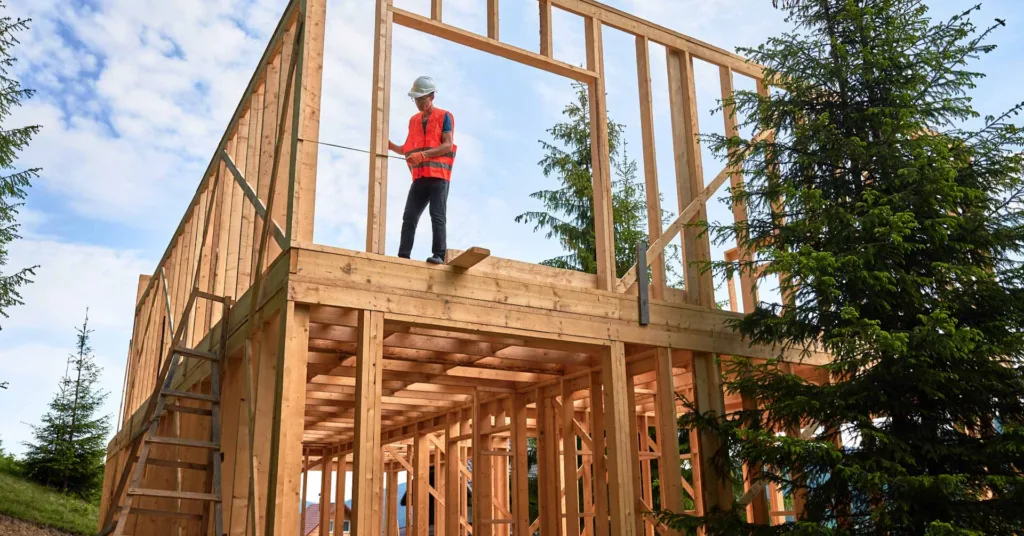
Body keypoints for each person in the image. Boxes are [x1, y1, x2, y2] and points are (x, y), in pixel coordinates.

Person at [388, 76, 457, 264]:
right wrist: (390, 145)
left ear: (432, 96)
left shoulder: (444, 116)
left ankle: (439, 255)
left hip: (438, 177)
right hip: (419, 177)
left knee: (437, 215)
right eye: (416, 99)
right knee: (409, 216)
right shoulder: (414, 121)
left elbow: (447, 145)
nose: (418, 103)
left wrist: (424, 156)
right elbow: (408, 148)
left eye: (421, 99)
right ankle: (403, 256)